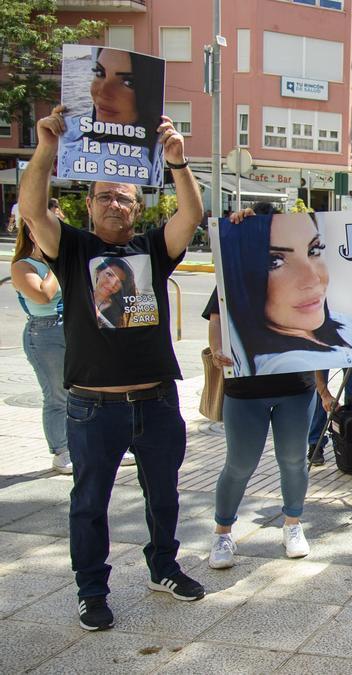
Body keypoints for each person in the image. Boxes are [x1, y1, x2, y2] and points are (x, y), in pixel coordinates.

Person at [19, 104, 206, 631]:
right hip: (92, 408)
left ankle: (164, 567)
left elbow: (190, 217)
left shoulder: (151, 247)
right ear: (89, 205)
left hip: (156, 402)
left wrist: (178, 163)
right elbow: (33, 211)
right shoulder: (73, 249)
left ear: (137, 206)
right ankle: (91, 591)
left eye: (123, 198)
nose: (114, 205)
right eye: (104, 196)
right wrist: (46, 147)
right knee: (89, 502)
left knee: (164, 494)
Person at [203, 282, 317, 567]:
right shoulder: (234, 270)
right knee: (240, 464)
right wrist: (217, 349)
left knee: (293, 459)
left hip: (295, 386)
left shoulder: (301, 274)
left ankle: (293, 523)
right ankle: (222, 533)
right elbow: (216, 318)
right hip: (244, 387)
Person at [217, 211, 352, 376]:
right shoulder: (286, 363)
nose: (312, 279)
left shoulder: (337, 324)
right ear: (244, 276)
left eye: (313, 250)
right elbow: (216, 314)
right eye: (275, 261)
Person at [11, 218, 69, 473]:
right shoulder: (23, 266)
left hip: (73, 327)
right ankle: (61, 451)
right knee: (58, 396)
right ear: (33, 235)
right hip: (45, 332)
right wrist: (56, 263)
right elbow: (43, 294)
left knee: (87, 391)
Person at [59, 47, 165, 183]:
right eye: (100, 73)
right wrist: (46, 146)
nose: (103, 92)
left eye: (128, 83)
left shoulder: (125, 166)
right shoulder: (72, 126)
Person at [91, 256, 137, 329]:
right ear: (98, 272)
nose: (112, 284)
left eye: (120, 282)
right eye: (109, 274)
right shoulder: (81, 297)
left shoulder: (118, 310)